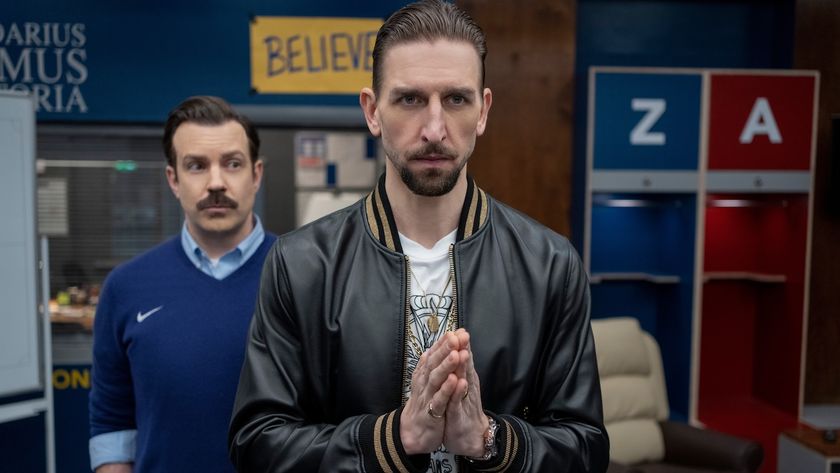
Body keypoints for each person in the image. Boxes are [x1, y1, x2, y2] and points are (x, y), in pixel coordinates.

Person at [228, 1, 609, 471]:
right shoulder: (302, 264)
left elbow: (586, 447)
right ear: (372, 111)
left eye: (456, 99)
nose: (434, 129)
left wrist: (491, 439)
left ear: (483, 111)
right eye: (410, 99)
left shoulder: (549, 264)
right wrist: (393, 438)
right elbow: (257, 443)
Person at [88, 96, 277, 473]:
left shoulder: (307, 275)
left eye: (232, 163)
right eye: (196, 166)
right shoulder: (126, 287)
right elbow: (112, 423)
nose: (216, 182)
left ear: (256, 175)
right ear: (173, 179)